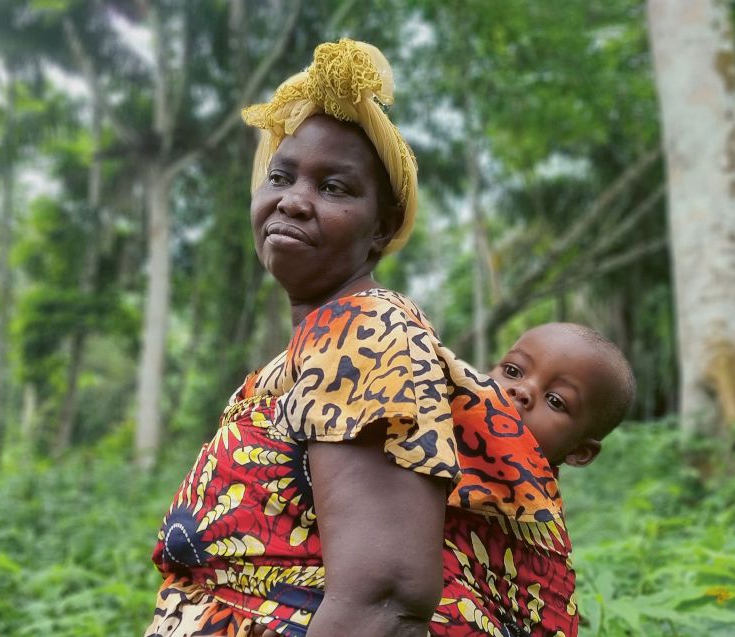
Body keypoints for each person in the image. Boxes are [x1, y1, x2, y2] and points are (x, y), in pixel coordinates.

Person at [146, 39, 577, 637]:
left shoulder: (367, 333)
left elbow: (384, 605)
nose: (293, 201)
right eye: (280, 175)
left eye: (335, 187)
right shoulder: (306, 351)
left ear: (382, 230)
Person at [487, 322, 636, 469]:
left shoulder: (528, 493)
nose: (523, 390)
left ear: (578, 452)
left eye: (555, 401)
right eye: (512, 371)